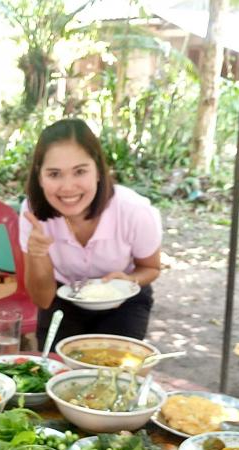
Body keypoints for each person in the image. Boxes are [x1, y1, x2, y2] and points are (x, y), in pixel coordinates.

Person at [20, 118, 162, 345]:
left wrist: (130, 279)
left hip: (124, 301)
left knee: (114, 363)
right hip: (63, 298)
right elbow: (43, 300)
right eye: (54, 174)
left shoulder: (134, 211)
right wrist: (37, 254)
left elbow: (151, 268)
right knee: (55, 363)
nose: (68, 187)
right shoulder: (32, 214)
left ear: (98, 171)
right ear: (40, 177)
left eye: (79, 172)